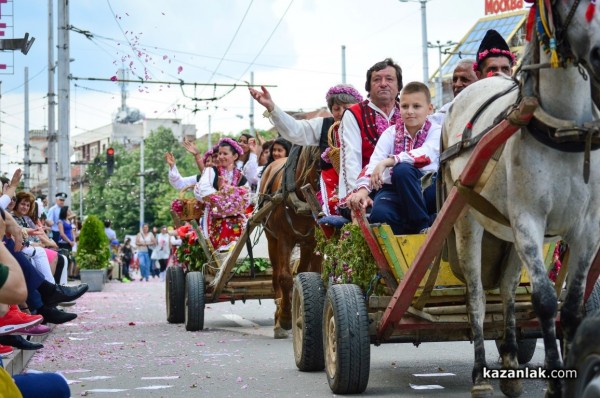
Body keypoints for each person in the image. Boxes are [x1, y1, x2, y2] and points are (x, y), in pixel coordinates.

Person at [249, 83, 364, 214]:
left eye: (347, 107)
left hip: (363, 187)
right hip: (332, 192)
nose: (342, 113)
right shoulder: (324, 125)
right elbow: (296, 130)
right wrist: (271, 107)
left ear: (357, 108)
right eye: (336, 108)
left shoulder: (367, 126)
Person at [347, 82, 441, 234]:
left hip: (425, 189)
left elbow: (426, 155)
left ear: (430, 109)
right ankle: (402, 247)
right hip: (394, 190)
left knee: (402, 170)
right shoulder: (390, 133)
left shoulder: (436, 131)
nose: (410, 111)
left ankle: (422, 227)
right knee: (380, 215)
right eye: (405, 106)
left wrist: (390, 161)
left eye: (416, 106)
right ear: (399, 108)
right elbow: (374, 163)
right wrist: (363, 191)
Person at [339, 58, 404, 209]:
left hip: (403, 185)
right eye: (377, 79)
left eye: (389, 79)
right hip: (365, 189)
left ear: (399, 86)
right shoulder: (354, 113)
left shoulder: (407, 111)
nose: (383, 84)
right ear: (368, 87)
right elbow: (351, 159)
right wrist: (360, 194)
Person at [192, 138, 250, 251]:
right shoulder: (211, 171)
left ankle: (241, 251)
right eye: (220, 153)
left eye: (225, 153)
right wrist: (222, 199)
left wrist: (231, 197)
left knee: (247, 226)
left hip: (236, 216)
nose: (221, 156)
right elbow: (203, 190)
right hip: (214, 216)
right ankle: (224, 250)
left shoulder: (240, 176)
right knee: (226, 224)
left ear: (235, 156)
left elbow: (246, 196)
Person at [430, 59, 479, 126]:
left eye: (464, 79)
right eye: (455, 80)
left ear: (480, 82)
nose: (457, 84)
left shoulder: (489, 110)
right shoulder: (443, 115)